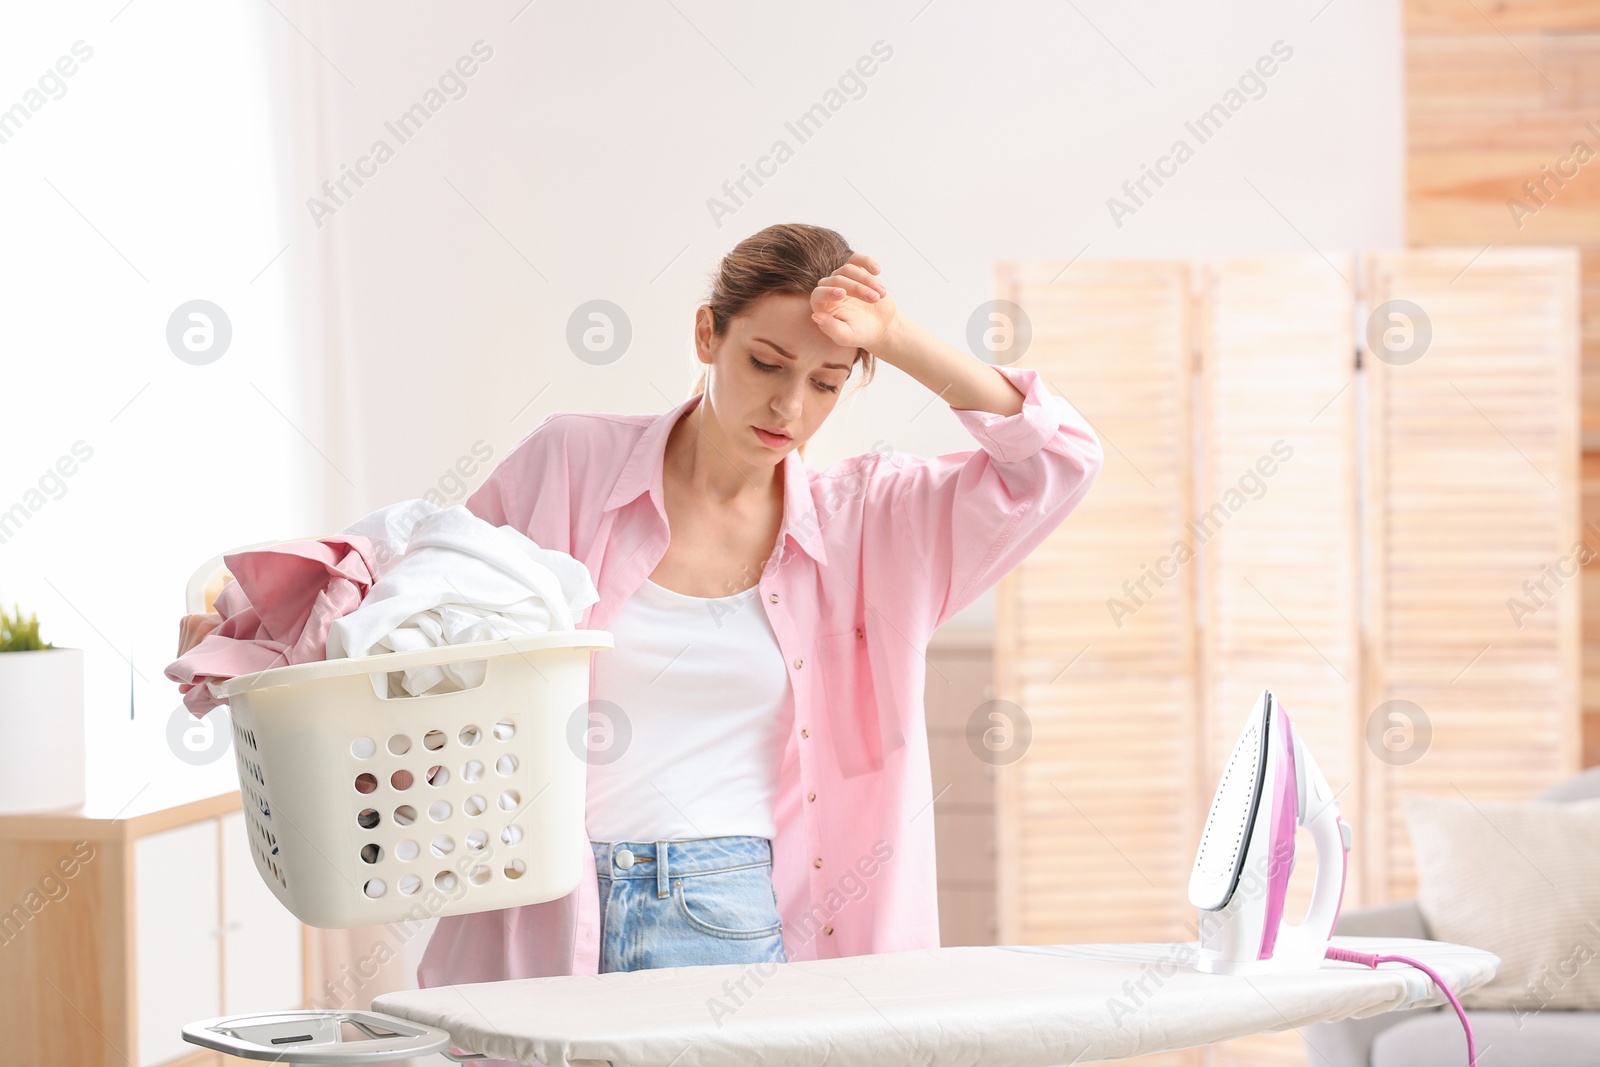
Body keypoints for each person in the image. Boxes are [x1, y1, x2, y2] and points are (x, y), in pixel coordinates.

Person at [176, 222, 1105, 1023]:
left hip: (732, 912)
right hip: (539, 899)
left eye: (827, 381)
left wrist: (898, 335)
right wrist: (251, 629)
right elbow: (419, 595)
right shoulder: (575, 463)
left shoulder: (873, 521)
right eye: (765, 363)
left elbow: (1056, 463)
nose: (789, 405)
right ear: (709, 334)